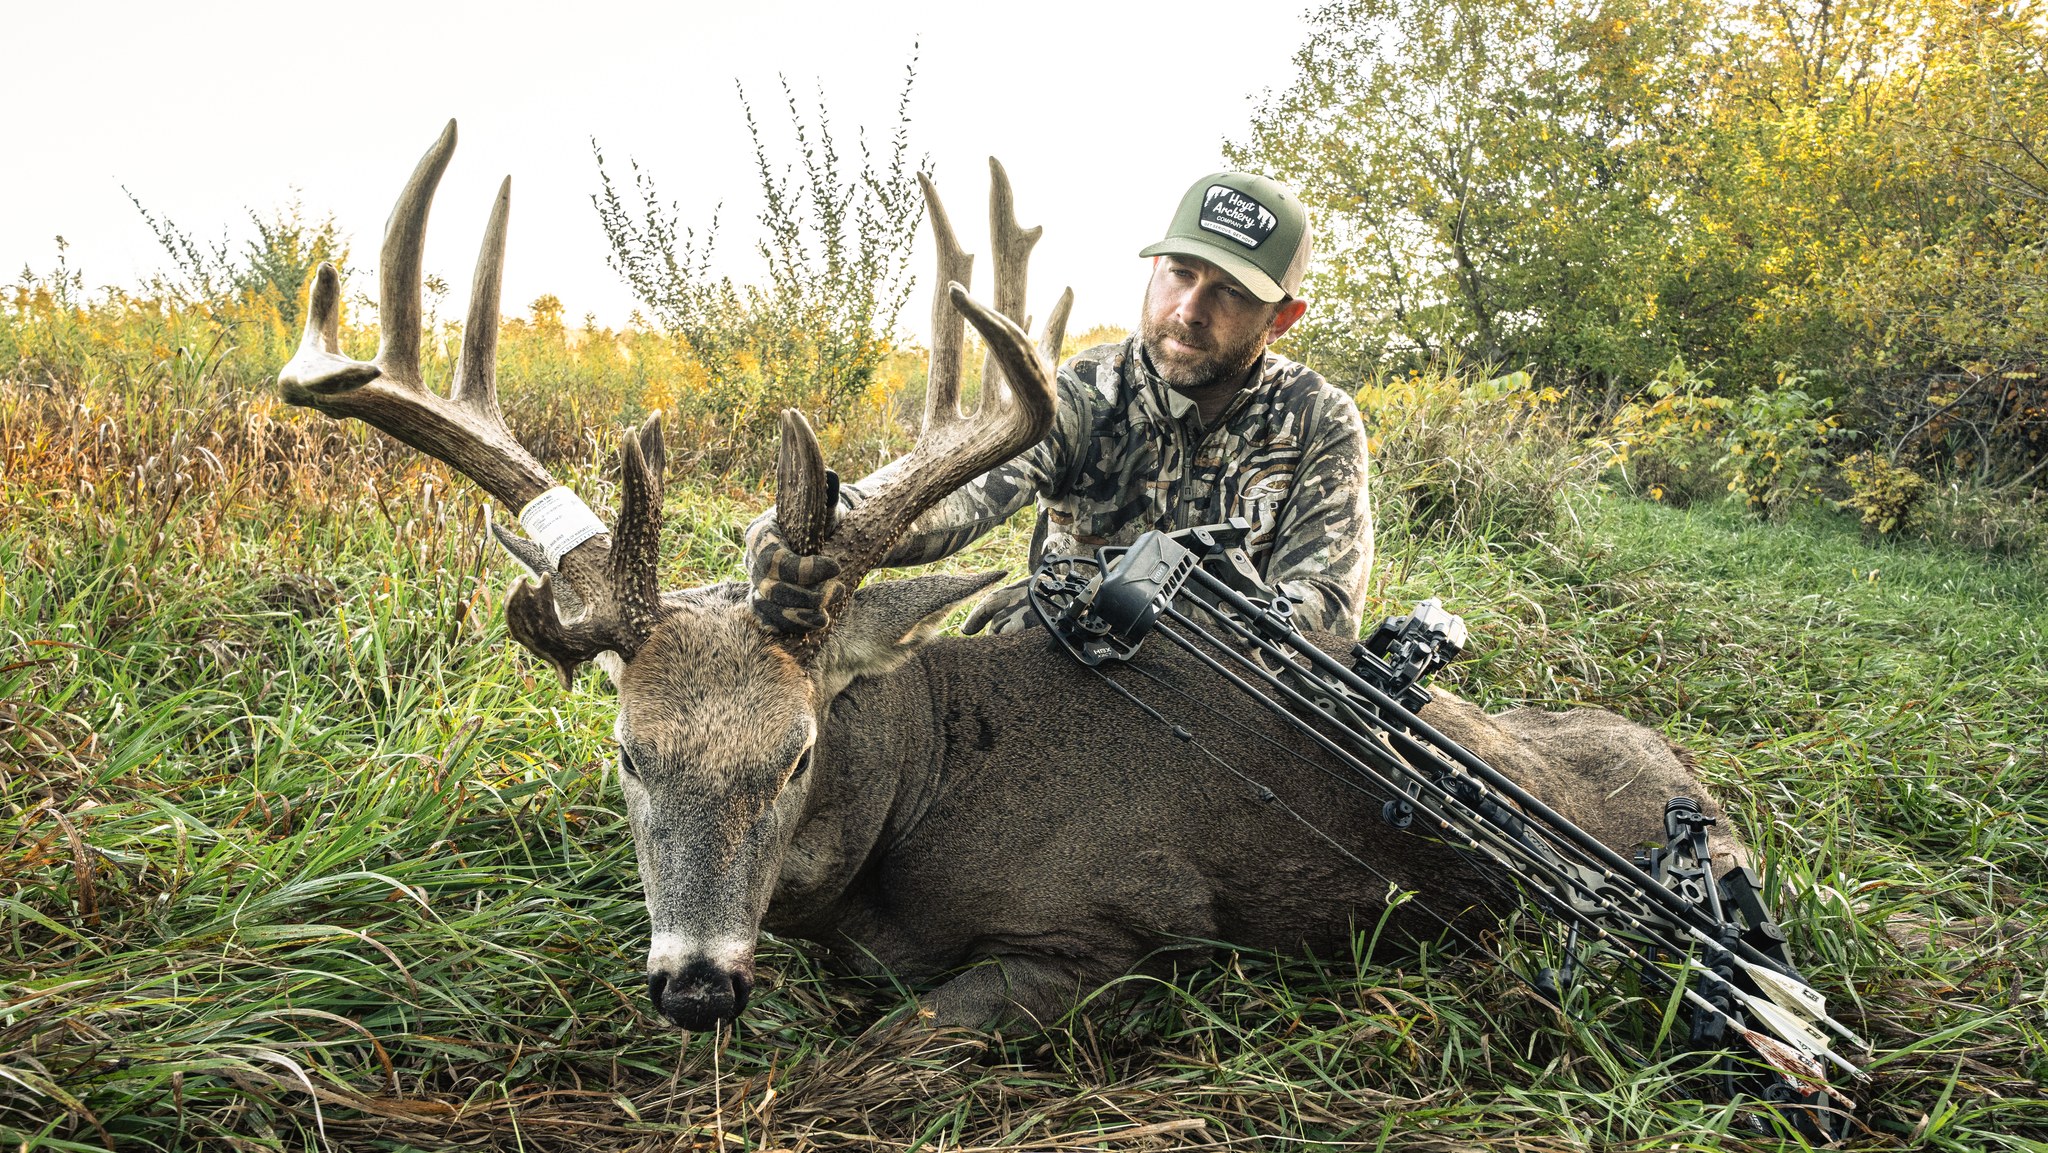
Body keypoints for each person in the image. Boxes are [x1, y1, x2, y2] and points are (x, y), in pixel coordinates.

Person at [749, 171, 1374, 637]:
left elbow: (1323, 610)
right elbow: (961, 495)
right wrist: (827, 522)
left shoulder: (1317, 419)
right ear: (1154, 270)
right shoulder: (1082, 389)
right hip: (1065, 666)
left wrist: (1119, 601)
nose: (1190, 311)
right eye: (1181, 273)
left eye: (1231, 293)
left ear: (1282, 318)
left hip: (1224, 698)